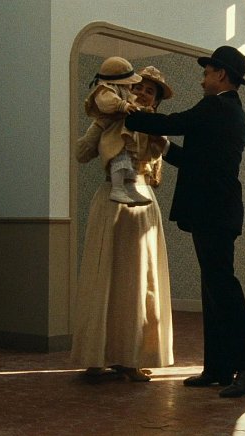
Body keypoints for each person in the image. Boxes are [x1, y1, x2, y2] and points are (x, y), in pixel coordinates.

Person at [125, 46, 245, 398]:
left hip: (214, 211)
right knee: (214, 290)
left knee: (223, 290)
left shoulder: (216, 106)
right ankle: (218, 368)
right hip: (217, 210)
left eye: (206, 73)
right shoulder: (230, 111)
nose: (203, 80)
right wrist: (164, 146)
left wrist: (129, 114)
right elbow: (196, 159)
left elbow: (175, 122)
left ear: (221, 74)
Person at [70, 66, 175, 383]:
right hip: (110, 200)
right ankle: (96, 356)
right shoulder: (110, 117)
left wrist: (158, 137)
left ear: (155, 102)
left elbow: (159, 162)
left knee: (137, 280)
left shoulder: (155, 128)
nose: (142, 94)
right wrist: (100, 125)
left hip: (141, 202)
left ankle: (131, 357)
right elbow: (81, 153)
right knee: (103, 275)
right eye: (138, 87)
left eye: (150, 92)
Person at [75, 56, 152, 205]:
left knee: (130, 162)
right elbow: (107, 102)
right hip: (114, 133)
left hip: (124, 134)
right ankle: (117, 189)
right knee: (119, 157)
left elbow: (133, 105)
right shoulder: (106, 90)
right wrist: (122, 106)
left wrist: (142, 110)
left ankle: (130, 188)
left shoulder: (125, 91)